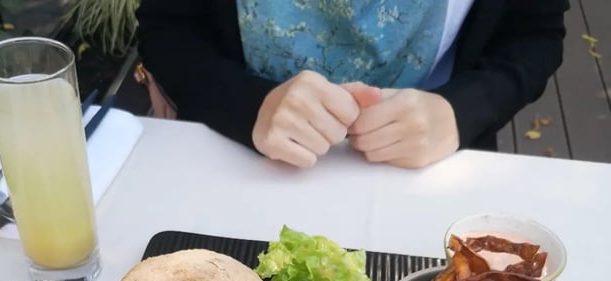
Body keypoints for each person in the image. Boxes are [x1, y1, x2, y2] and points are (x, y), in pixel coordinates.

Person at [136, 1, 569, 169]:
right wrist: (249, 106)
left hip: (433, 166)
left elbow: (535, 34)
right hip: (239, 158)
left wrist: (463, 109)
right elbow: (168, 28)